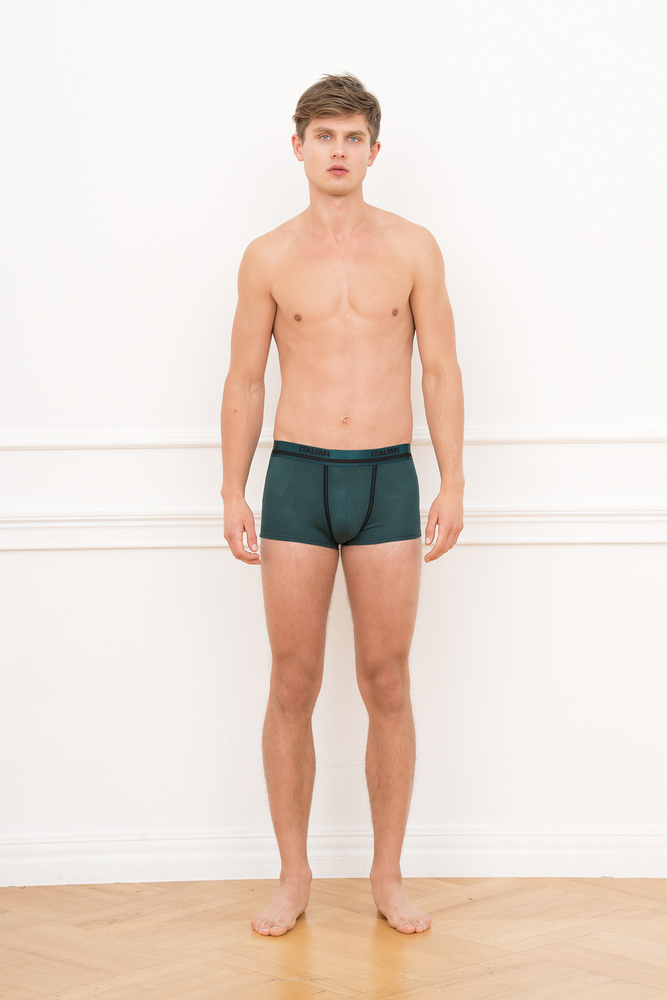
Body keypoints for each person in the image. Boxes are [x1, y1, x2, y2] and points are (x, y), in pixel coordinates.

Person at [220, 73, 464, 936]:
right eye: (323, 136)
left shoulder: (412, 248)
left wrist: (453, 480)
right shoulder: (268, 256)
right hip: (295, 478)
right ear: (297, 147)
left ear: (372, 150)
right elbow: (246, 379)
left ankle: (387, 876)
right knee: (292, 681)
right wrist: (232, 488)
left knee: (386, 679)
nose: (337, 150)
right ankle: (293, 877)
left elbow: (439, 369)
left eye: (352, 137)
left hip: (386, 478)